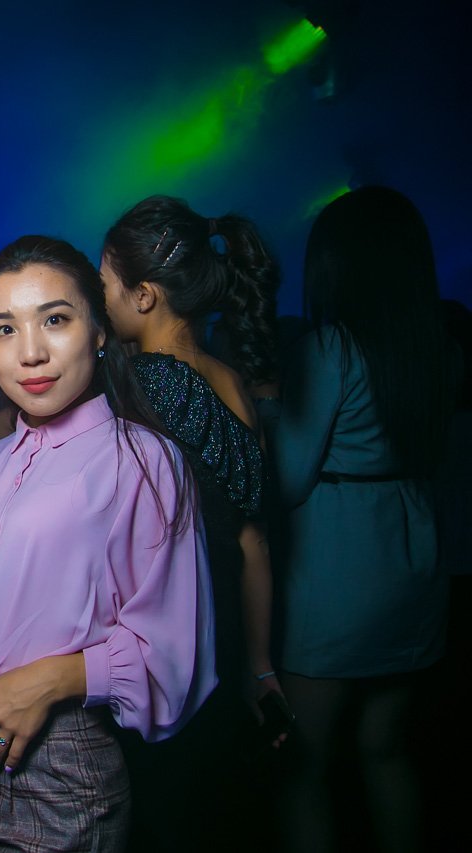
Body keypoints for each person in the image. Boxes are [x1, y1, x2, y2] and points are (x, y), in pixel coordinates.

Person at [0, 235, 214, 852]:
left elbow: (175, 653)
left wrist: (58, 678)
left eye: (55, 320)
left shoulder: (144, 461)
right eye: (4, 330)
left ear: (100, 331)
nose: (30, 353)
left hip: (55, 763)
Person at [268, 186, 454, 853]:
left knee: (305, 765)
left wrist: (264, 412)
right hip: (413, 557)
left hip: (339, 570)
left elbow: (288, 480)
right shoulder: (437, 347)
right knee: (388, 749)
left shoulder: (330, 348)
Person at [100, 196, 283, 851]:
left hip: (158, 640)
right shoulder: (233, 382)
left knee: (159, 815)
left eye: (105, 286)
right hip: (224, 629)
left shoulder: (136, 383)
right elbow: (254, 542)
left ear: (144, 295)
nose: (101, 301)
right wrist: (259, 667)